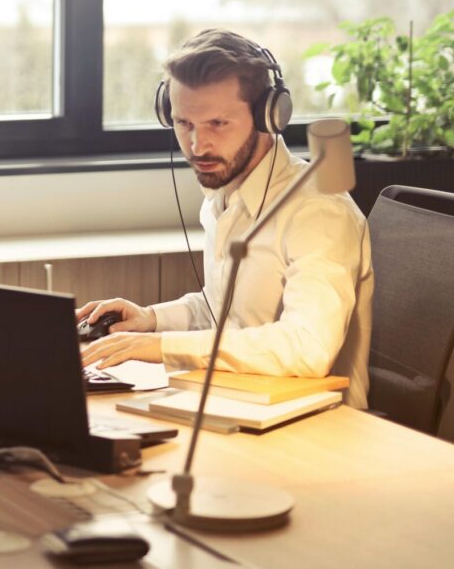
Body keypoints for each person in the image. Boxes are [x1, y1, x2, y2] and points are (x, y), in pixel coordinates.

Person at [78, 29, 374, 409]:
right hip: (236, 403)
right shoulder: (223, 195)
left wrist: (162, 346)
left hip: (317, 427)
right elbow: (225, 313)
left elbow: (308, 348)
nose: (198, 147)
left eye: (217, 124)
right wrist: (150, 320)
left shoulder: (319, 211)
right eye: (184, 124)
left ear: (269, 116)